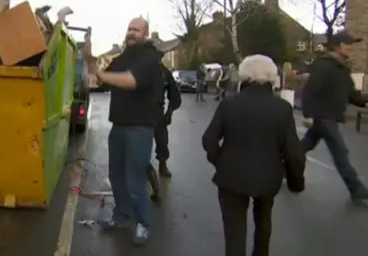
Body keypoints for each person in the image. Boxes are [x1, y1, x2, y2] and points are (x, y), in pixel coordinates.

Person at [202, 54, 305, 256]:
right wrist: (296, 182)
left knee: (234, 228)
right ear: (271, 77)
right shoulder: (282, 108)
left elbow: (209, 140)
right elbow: (294, 153)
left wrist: (220, 161)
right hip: (268, 176)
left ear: (244, 76)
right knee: (264, 221)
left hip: (231, 176)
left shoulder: (229, 104)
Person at [84, 17, 162, 246]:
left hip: (140, 128)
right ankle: (122, 217)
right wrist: (90, 60)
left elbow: (130, 81)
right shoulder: (123, 58)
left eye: (136, 30)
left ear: (145, 34)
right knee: (117, 176)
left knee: (135, 180)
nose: (131, 33)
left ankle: (142, 223)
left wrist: (104, 74)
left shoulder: (149, 59)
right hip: (119, 126)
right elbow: (101, 79)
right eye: (129, 29)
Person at [301, 31, 368, 201]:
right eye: (349, 44)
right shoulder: (325, 65)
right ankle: (356, 188)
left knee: (303, 147)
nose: (352, 48)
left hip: (329, 115)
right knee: (340, 151)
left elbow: (353, 95)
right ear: (338, 46)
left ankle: (283, 165)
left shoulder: (342, 68)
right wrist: (308, 113)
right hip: (323, 116)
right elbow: (311, 90)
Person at [151, 54, 181, 178]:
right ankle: (142, 168)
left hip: (158, 111)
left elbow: (174, 95)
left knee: (162, 141)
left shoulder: (165, 73)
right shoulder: (141, 70)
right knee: (139, 142)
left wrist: (169, 112)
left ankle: (162, 164)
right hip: (140, 111)